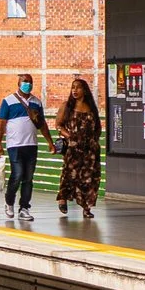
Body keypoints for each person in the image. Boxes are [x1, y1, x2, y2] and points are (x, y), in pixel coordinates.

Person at [0, 74, 47, 220]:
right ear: (18, 83)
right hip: (15, 145)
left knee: (28, 178)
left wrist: (49, 142)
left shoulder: (37, 102)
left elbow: (42, 124)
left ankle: (24, 208)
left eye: (30, 82)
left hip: (31, 145)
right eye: (25, 82)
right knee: (17, 175)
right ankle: (9, 201)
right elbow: (1, 124)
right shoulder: (8, 101)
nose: (28, 84)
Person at [54, 78, 100, 215]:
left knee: (89, 178)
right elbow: (58, 125)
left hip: (90, 149)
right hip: (73, 147)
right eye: (73, 87)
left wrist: (94, 142)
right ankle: (63, 198)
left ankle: (87, 207)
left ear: (84, 90)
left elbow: (97, 127)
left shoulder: (91, 107)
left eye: (78, 87)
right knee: (69, 174)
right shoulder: (66, 106)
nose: (74, 90)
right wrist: (69, 136)